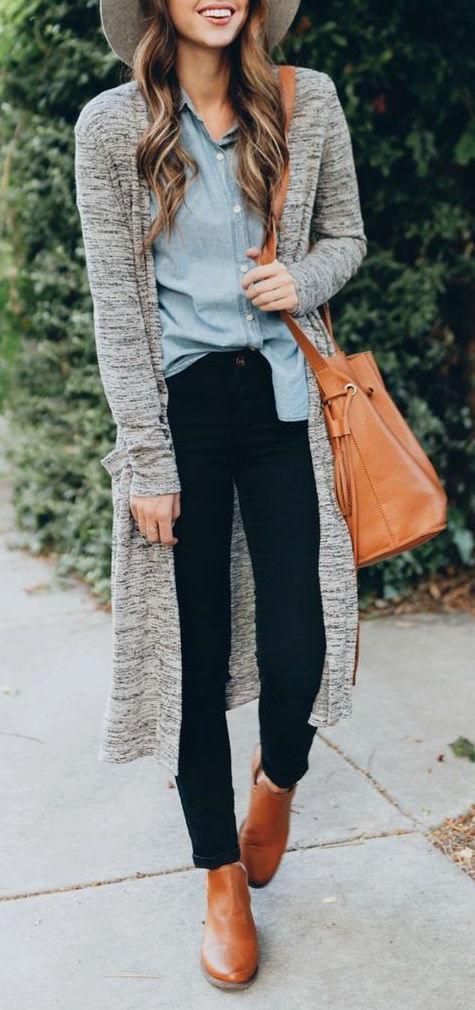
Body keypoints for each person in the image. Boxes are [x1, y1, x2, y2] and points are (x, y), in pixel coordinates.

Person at [74, 0, 367, 990]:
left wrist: (302, 275)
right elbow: (118, 307)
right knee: (191, 657)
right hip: (181, 410)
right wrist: (144, 459)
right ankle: (219, 875)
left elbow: (347, 237)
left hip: (285, 398)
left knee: (302, 642)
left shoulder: (306, 103)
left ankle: (277, 775)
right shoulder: (113, 127)